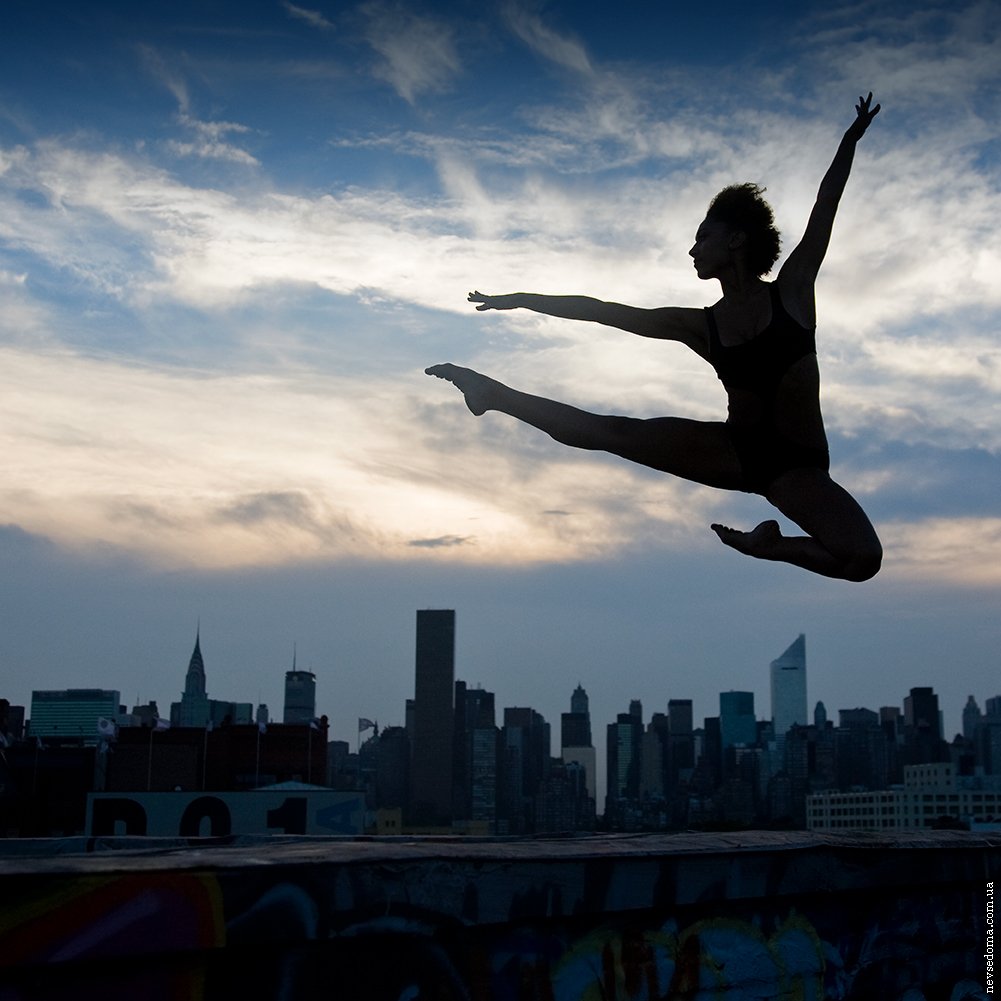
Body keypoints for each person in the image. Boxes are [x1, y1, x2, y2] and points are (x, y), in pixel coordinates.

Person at [426, 95, 883, 581]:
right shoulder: (698, 326)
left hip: (797, 469)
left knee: (862, 559)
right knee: (610, 432)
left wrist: (850, 140)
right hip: (735, 451)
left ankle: (768, 548)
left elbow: (825, 205)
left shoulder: (791, 293)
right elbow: (603, 313)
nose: (692, 249)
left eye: (703, 236)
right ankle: (491, 394)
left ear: (737, 240)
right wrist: (519, 298)